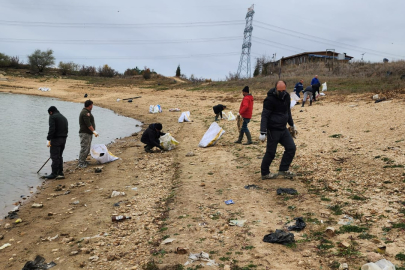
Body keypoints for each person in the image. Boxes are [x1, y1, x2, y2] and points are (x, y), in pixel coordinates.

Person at [259, 81, 297, 180]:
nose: (281, 92)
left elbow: (288, 112)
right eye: (280, 91)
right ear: (276, 89)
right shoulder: (269, 99)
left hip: (283, 129)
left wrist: (292, 124)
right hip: (272, 130)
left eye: (283, 90)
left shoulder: (287, 97)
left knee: (291, 148)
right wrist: (263, 131)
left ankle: (283, 170)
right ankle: (265, 173)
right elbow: (265, 115)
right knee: (271, 152)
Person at [45, 106, 68, 179]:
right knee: (59, 156)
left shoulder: (53, 117)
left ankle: (54, 173)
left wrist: (48, 139)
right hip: (64, 139)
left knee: (54, 156)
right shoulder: (64, 117)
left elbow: (52, 129)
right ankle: (60, 172)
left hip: (56, 139)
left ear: (51, 112)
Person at [78, 100, 98, 168]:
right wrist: (93, 131)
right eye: (92, 105)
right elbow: (88, 124)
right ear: (89, 105)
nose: (92, 106)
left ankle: (83, 161)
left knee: (87, 148)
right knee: (84, 147)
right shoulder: (85, 113)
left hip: (88, 133)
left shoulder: (87, 112)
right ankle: (81, 163)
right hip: (85, 133)